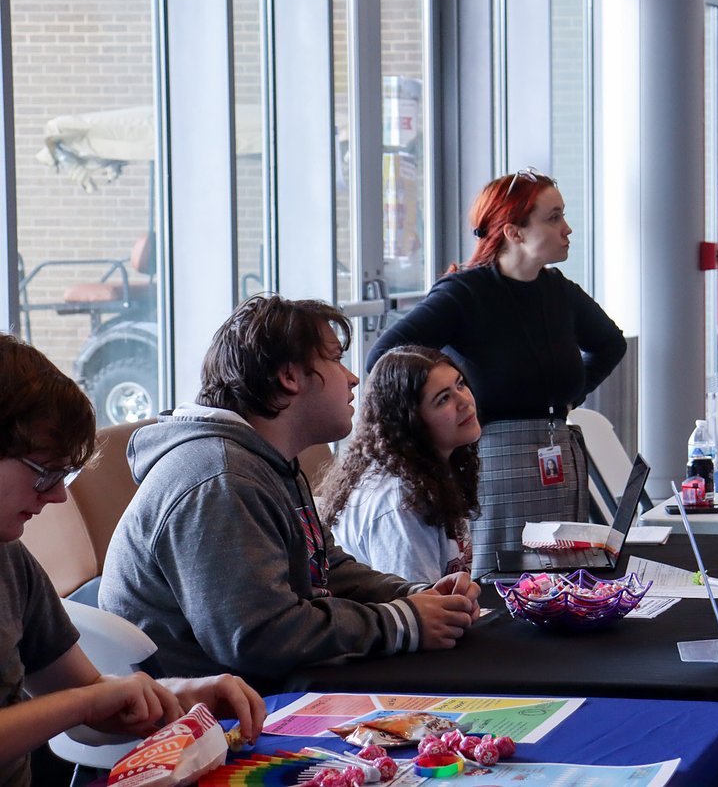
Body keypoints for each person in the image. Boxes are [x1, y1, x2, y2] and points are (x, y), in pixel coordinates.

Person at [100, 295, 482, 692]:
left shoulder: (264, 461)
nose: (352, 379)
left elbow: (324, 565)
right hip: (207, 730)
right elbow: (258, 637)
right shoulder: (223, 479)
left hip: (265, 694)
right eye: (335, 359)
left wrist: (417, 597)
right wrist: (403, 622)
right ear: (290, 377)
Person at [0, 333, 264, 785]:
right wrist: (83, 705)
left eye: (65, 475)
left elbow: (85, 700)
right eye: (45, 474)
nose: (59, 495)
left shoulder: (11, 562)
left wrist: (181, 695)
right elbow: (79, 705)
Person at [366, 170, 626, 576]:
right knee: (495, 581)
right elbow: (384, 359)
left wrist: (570, 396)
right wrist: (439, 418)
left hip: (560, 457)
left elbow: (611, 344)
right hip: (490, 461)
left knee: (563, 580)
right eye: (553, 217)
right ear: (514, 232)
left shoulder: (559, 291)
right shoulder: (464, 294)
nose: (567, 228)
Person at [320, 346, 482, 583]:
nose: (464, 401)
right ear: (411, 421)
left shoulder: (430, 472)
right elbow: (415, 609)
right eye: (444, 398)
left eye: (460, 384)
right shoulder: (398, 499)